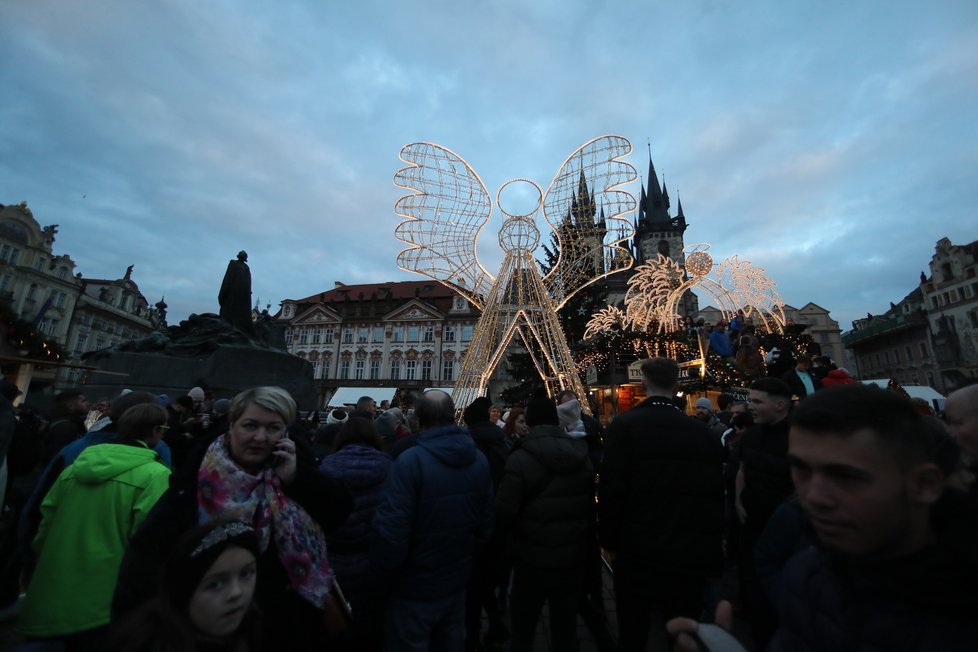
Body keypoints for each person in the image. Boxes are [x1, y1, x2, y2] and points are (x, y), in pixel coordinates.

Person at [669, 384, 978, 651]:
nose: (813, 496)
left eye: (845, 476)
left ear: (924, 484)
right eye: (801, 469)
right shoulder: (807, 574)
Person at [114, 386, 353, 652]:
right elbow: (142, 568)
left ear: (284, 434)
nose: (260, 437)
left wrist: (298, 479)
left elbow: (338, 514)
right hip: (203, 636)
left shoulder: (294, 471)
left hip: (286, 628)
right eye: (250, 425)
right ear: (232, 426)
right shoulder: (198, 481)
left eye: (273, 428)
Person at [16, 403, 172, 651]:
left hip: (50, 594)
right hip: (103, 606)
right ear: (155, 430)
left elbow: (44, 525)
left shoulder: (74, 467)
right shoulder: (155, 476)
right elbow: (147, 544)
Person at [598, 358, 724, 652]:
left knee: (633, 627)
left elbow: (612, 487)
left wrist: (608, 539)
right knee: (681, 630)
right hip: (688, 548)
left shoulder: (624, 426)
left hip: (637, 545)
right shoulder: (703, 433)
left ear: (642, 384)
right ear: (677, 386)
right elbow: (715, 492)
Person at [370, 389, 494, 652]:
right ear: (452, 416)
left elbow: (391, 532)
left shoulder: (409, 461)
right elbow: (486, 525)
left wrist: (386, 575)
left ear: (418, 419)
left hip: (413, 585)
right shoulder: (478, 459)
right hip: (457, 577)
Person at [496, 395, 595, 652]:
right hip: (570, 555)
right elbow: (588, 508)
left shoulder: (519, 457)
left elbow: (505, 512)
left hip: (530, 557)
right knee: (565, 625)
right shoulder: (581, 454)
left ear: (529, 421)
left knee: (524, 626)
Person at [104, 520, 263, 652]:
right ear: (183, 591)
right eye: (216, 584)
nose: (236, 592)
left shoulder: (257, 628)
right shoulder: (144, 643)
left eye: (246, 574)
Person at [319, 417, 393, 652]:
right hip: (372, 559)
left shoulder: (327, 465)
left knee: (336, 624)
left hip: (333, 560)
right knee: (370, 623)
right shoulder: (388, 466)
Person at [735, 377, 793, 648]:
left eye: (757, 401)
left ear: (780, 404)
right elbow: (742, 470)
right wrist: (738, 501)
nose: (751, 407)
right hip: (751, 525)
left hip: (784, 532)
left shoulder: (798, 436)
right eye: (750, 401)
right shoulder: (753, 434)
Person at [39, 389, 89, 465]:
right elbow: (59, 457)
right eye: (83, 401)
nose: (88, 404)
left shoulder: (67, 422)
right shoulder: (66, 427)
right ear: (71, 406)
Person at [218, 250, 254, 335]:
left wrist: (248, 291)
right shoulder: (233, 264)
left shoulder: (246, 267)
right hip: (233, 291)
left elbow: (248, 281)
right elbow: (228, 277)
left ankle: (237, 328)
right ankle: (228, 326)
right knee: (229, 308)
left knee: (239, 311)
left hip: (242, 293)